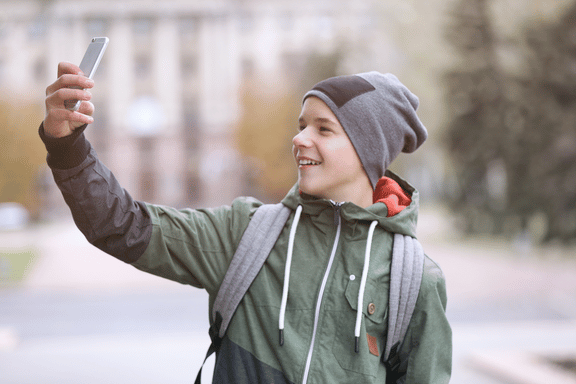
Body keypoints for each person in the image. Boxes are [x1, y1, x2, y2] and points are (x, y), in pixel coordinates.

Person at [41, 62, 452, 383]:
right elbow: (122, 225)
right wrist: (66, 146)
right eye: (302, 125)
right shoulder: (249, 234)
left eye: (323, 129)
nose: (300, 138)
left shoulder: (412, 278)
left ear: (368, 150)